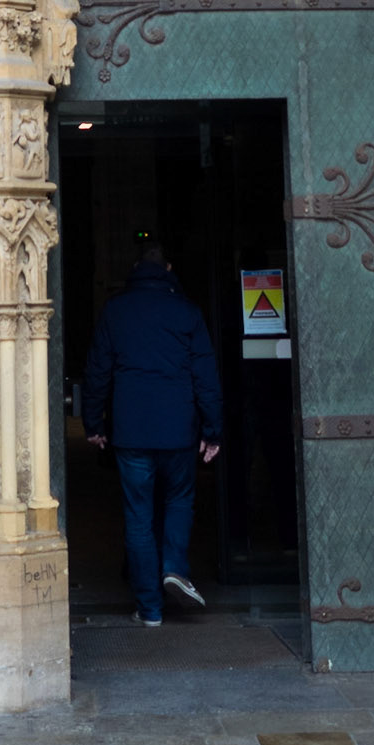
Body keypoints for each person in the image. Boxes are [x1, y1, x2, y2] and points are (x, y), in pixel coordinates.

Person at [81, 242, 223, 626]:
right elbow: (205, 377)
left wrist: (93, 424)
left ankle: (150, 609)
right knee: (179, 501)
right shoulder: (188, 312)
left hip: (131, 432)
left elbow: (97, 372)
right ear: (170, 268)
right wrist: (212, 430)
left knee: (138, 517)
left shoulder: (116, 311)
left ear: (134, 268)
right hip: (179, 429)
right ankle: (174, 567)